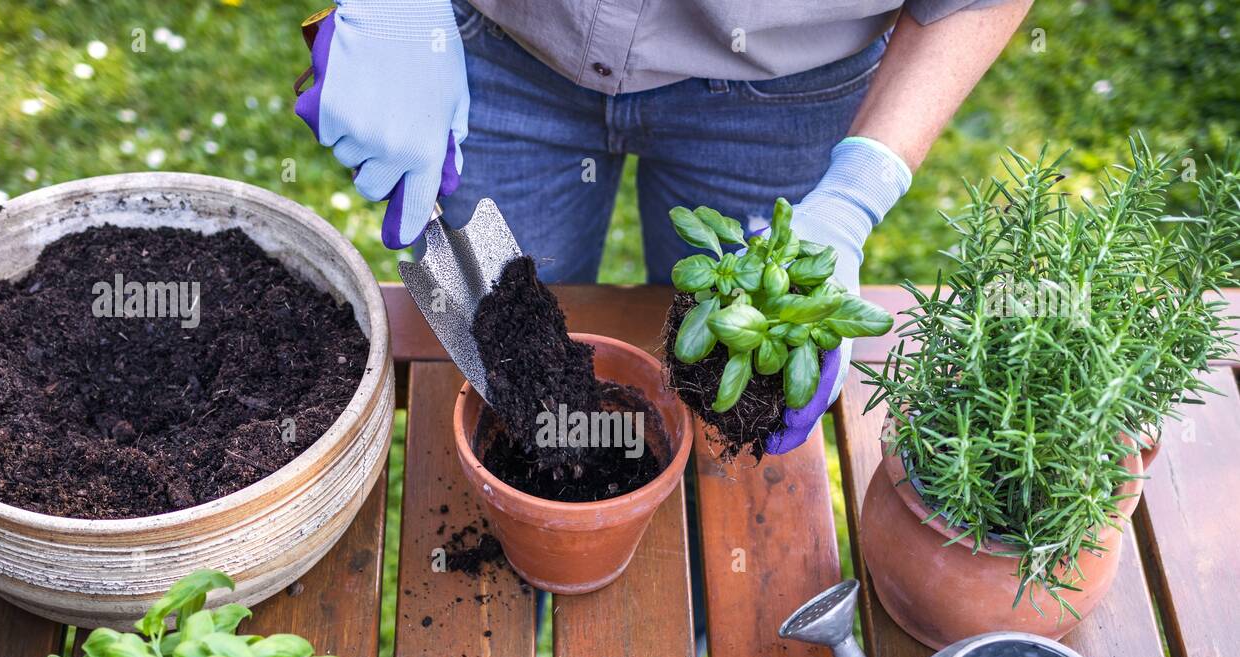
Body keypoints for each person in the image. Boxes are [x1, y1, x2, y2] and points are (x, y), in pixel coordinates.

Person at [296, 0, 1031, 453]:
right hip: (503, 41)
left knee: (723, 405)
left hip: (782, 88)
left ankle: (694, 613)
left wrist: (852, 195)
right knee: (516, 363)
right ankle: (541, 572)